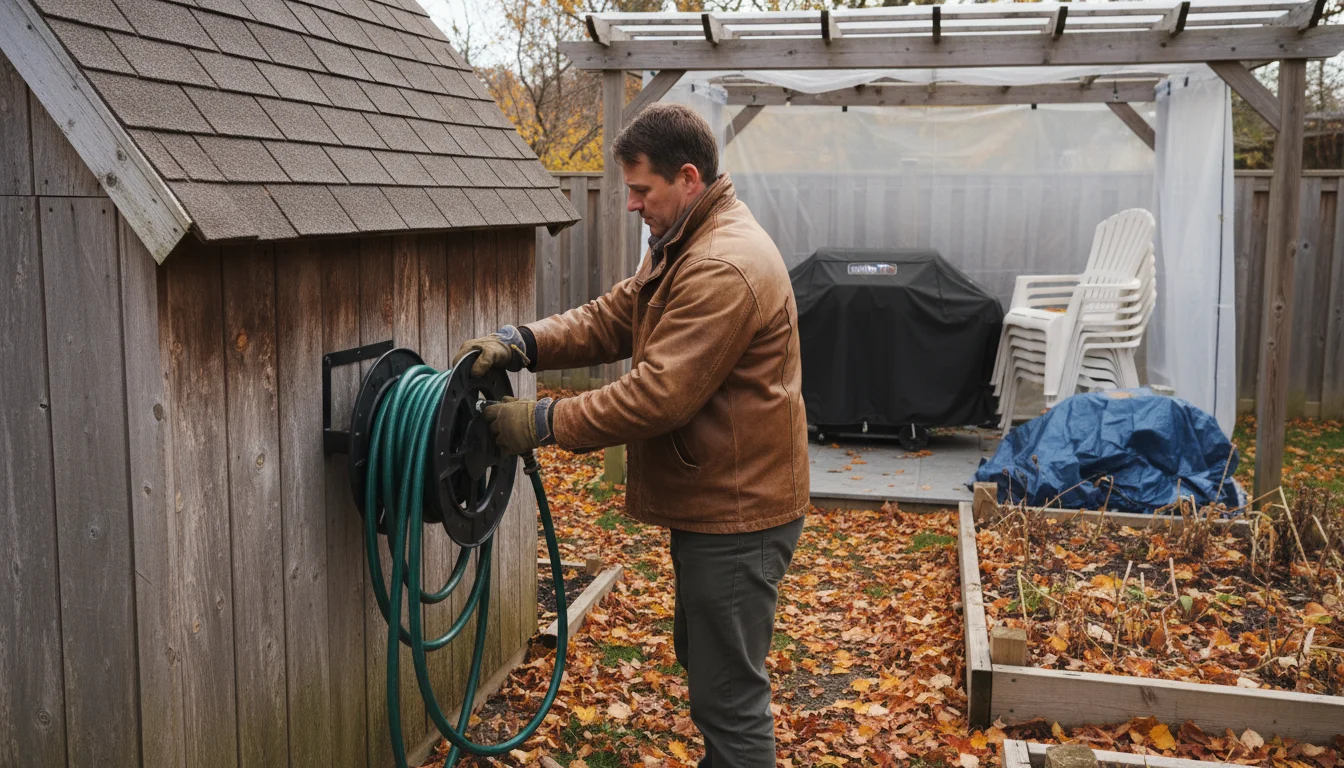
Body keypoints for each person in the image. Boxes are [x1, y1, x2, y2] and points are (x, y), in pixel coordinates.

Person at [454, 103, 809, 766]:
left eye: (642, 191)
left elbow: (658, 396)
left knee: (729, 700)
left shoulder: (721, 268)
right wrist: (523, 343)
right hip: (724, 503)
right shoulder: (687, 244)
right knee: (715, 679)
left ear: (688, 177)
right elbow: (615, 316)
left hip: (739, 517)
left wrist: (537, 423)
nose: (632, 205)